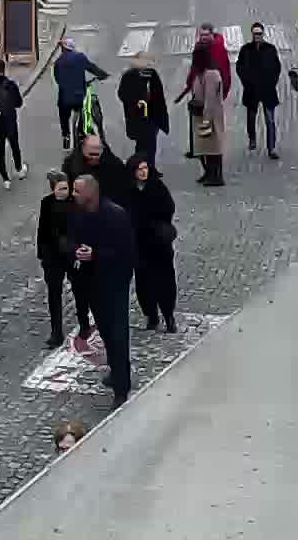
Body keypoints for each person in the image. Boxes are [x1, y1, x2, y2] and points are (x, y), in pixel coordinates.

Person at [68, 174, 136, 406]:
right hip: (92, 283)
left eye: (77, 191)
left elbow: (126, 252)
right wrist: (76, 251)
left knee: (118, 334)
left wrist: (95, 255)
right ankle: (116, 372)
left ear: (90, 193)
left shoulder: (115, 215)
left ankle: (121, 387)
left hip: (114, 284)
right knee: (106, 331)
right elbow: (71, 238)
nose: (73, 195)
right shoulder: (79, 214)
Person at [36, 170, 92, 349]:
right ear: (53, 189)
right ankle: (56, 332)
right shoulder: (46, 203)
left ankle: (84, 325)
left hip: (72, 255)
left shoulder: (76, 203)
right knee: (54, 295)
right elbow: (43, 230)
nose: (64, 192)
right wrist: (43, 256)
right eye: (60, 189)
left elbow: (83, 229)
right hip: (53, 257)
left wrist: (80, 253)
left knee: (80, 291)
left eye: (66, 188)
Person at [126, 156, 178, 333]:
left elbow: (168, 208)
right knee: (143, 281)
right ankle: (151, 315)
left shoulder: (157, 187)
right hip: (139, 244)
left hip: (159, 243)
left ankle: (168, 315)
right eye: (139, 169)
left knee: (165, 279)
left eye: (145, 168)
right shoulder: (128, 190)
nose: (143, 172)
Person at [176, 42, 228, 187]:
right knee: (204, 147)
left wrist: (207, 119)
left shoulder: (210, 74)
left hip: (209, 116)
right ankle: (209, 173)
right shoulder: (202, 72)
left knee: (213, 147)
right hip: (201, 114)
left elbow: (210, 99)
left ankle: (216, 176)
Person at [54, 38, 110, 153]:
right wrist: (103, 75)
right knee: (85, 111)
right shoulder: (80, 57)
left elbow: (57, 79)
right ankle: (82, 132)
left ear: (63, 48)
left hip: (65, 98)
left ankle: (66, 137)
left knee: (64, 116)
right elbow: (92, 68)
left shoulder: (58, 62)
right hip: (79, 96)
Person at [236, 22, 282, 161]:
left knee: (270, 120)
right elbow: (239, 67)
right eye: (255, 34)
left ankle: (271, 148)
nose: (257, 36)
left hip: (267, 89)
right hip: (251, 90)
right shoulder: (245, 49)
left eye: (259, 34)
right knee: (251, 118)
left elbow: (277, 67)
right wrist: (246, 82)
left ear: (263, 34)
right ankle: (252, 139)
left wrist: (272, 82)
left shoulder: (270, 49)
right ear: (252, 34)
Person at [118, 52, 170, 169]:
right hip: (138, 117)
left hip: (152, 116)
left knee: (151, 145)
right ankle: (142, 168)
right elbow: (122, 94)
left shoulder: (151, 74)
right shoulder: (129, 75)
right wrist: (136, 102)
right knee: (143, 145)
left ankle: (149, 167)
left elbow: (158, 93)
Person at [0, 69, 26, 184]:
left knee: (0, 149)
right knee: (14, 145)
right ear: (3, 70)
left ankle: (5, 178)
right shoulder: (11, 85)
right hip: (10, 121)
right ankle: (19, 169)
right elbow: (19, 103)